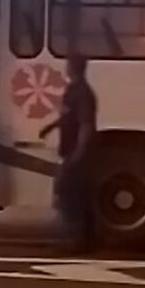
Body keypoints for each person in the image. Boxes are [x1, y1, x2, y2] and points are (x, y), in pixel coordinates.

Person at [39, 56, 97, 253]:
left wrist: (79, 153)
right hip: (70, 150)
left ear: (73, 67)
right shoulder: (74, 90)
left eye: (68, 65)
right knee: (75, 195)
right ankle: (82, 239)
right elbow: (66, 116)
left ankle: (73, 240)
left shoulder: (82, 93)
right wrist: (50, 127)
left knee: (67, 194)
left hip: (74, 152)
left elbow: (86, 124)